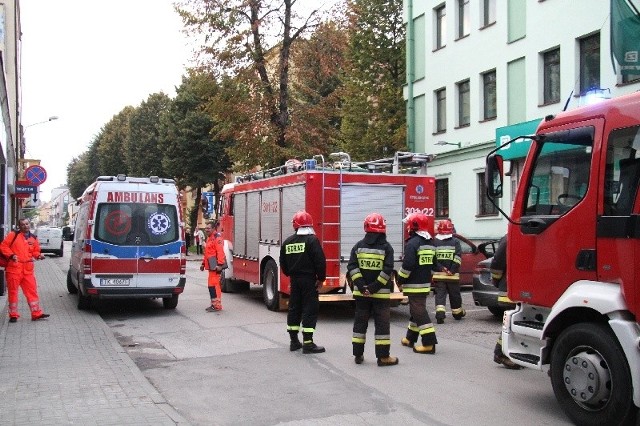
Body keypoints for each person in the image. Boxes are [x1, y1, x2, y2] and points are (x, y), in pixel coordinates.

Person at [347, 212, 398, 366]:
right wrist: (375, 287)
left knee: (360, 323)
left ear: (366, 227)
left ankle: (358, 355)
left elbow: (352, 268)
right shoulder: (387, 248)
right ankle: (383, 357)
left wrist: (363, 287)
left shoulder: (358, 247)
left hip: (362, 294)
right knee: (382, 325)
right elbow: (387, 270)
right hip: (380, 295)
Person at [279, 211, 327, 354]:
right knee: (309, 309)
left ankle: (294, 342)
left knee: (294, 308)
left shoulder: (287, 242)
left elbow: (283, 263)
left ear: (295, 225)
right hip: (309, 281)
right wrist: (321, 278)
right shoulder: (312, 240)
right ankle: (308, 343)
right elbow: (320, 261)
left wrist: (291, 275)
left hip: (295, 281)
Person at [396, 213, 439, 354]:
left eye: (409, 224)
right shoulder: (430, 242)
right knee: (415, 311)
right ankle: (410, 338)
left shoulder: (412, 243)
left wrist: (400, 279)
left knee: (419, 312)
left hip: (414, 285)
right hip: (424, 284)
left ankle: (429, 343)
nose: (407, 227)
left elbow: (408, 265)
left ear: (413, 226)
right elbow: (433, 265)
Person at [0, 218, 49, 322]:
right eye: (22, 224)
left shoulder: (33, 238)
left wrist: (39, 256)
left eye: (26, 224)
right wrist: (11, 255)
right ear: (19, 226)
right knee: (13, 292)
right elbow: (3, 246)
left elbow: (35, 252)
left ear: (29, 225)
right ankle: (13, 315)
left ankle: (36, 313)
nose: (25, 226)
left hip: (27, 270)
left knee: (32, 291)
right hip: (14, 269)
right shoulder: (13, 235)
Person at [490, 235, 521, 369]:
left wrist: (497, 280)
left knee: (513, 323)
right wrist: (496, 280)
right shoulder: (511, 237)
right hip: (511, 290)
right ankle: (501, 353)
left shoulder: (510, 237)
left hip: (518, 288)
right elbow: (498, 263)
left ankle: (507, 353)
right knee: (511, 324)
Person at [433, 219, 464, 324]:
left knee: (440, 295)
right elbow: (458, 257)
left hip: (439, 275)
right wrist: (452, 270)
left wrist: (441, 268)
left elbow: (433, 259)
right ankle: (457, 313)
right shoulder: (455, 242)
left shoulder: (434, 242)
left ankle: (440, 315)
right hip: (452, 276)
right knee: (454, 295)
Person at [199, 220, 226, 312]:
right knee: (211, 286)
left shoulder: (217, 238)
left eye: (208, 228)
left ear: (213, 229)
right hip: (211, 265)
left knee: (214, 286)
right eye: (205, 228)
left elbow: (220, 252)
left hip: (215, 266)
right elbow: (207, 253)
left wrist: (220, 265)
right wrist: (203, 264)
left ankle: (217, 306)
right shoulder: (210, 238)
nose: (206, 230)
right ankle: (214, 304)